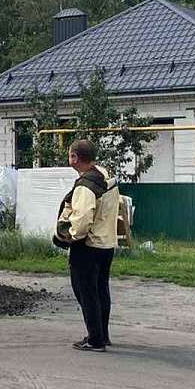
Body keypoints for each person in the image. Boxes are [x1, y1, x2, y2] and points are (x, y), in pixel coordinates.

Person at [55, 139, 119, 352]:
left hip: (88, 247)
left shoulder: (85, 186)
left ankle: (95, 340)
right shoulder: (104, 175)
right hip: (107, 244)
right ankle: (102, 334)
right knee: (101, 291)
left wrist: (68, 236)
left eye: (70, 155)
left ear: (74, 157)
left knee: (86, 292)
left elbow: (82, 220)